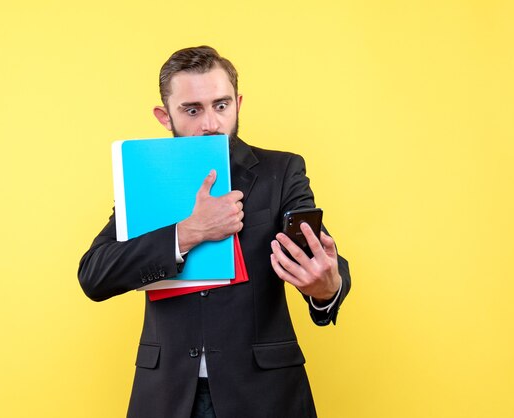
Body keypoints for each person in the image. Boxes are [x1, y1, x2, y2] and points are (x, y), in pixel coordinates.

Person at [78, 46, 351, 418]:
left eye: (221, 105)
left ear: (238, 103)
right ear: (164, 116)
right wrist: (187, 232)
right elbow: (94, 274)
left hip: (263, 395)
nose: (210, 123)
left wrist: (326, 288)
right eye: (192, 110)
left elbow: (323, 261)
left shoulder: (282, 170)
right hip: (168, 397)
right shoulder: (146, 177)